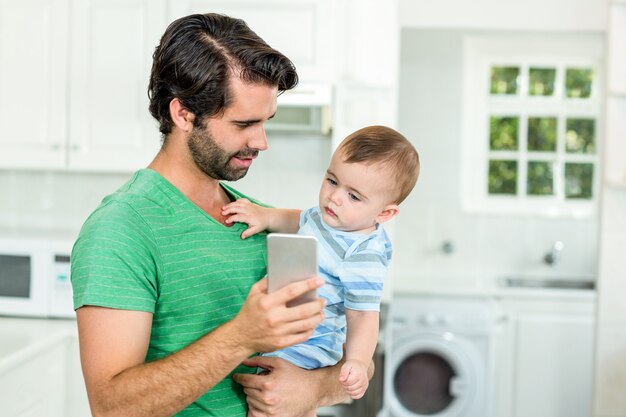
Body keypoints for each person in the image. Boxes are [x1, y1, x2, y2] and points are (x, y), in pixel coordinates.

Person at [71, 13, 359, 417]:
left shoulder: (255, 217)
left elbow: (351, 368)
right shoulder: (121, 229)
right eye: (244, 123)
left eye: (266, 122)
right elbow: (112, 407)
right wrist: (242, 336)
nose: (261, 141)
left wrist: (314, 387)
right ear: (183, 114)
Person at [222, 125, 420, 415]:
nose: (334, 197)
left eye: (354, 196)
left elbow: (363, 315)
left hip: (308, 345)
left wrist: (357, 362)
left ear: (384, 213)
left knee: (270, 406)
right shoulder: (328, 217)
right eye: (332, 181)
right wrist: (264, 216)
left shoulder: (363, 253)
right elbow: (300, 220)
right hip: (284, 332)